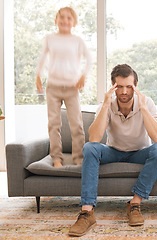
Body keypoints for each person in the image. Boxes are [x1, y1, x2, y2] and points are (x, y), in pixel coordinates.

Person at [68, 64, 157, 237]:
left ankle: (135, 204)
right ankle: (87, 213)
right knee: (90, 148)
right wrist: (106, 105)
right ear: (113, 86)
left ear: (135, 87)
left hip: (139, 153)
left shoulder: (147, 102)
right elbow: (94, 139)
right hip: (113, 152)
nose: (124, 91)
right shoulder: (106, 104)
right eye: (119, 86)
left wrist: (143, 108)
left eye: (129, 87)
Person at [36, 7, 92, 167]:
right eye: (62, 17)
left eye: (69, 18)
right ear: (56, 20)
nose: (65, 20)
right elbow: (42, 59)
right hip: (53, 87)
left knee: (77, 124)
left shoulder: (77, 41)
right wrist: (38, 75)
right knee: (54, 124)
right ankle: (56, 158)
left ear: (73, 22)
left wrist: (83, 75)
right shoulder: (49, 38)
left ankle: (79, 158)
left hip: (71, 88)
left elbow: (89, 59)